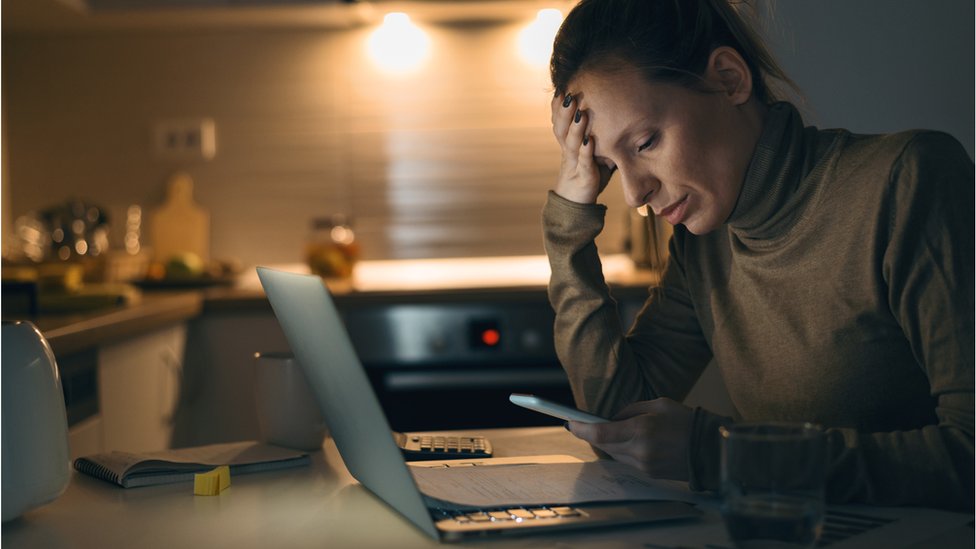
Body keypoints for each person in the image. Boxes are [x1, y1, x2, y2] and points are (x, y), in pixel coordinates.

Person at [543, 0, 973, 510]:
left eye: (645, 142)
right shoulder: (704, 241)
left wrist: (726, 455)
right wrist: (570, 218)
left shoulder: (908, 181)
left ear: (729, 79)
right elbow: (619, 420)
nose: (635, 193)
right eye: (611, 164)